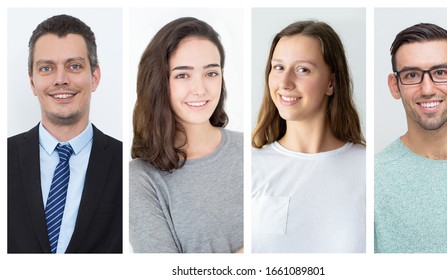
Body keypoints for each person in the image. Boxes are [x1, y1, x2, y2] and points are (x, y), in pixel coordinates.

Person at [8, 14, 122, 253]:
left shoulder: (125, 162)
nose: (61, 80)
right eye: (47, 68)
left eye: (74, 66)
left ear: (95, 77)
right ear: (32, 81)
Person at [129, 17, 243, 253]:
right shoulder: (141, 178)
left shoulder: (249, 149)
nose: (200, 89)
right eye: (182, 75)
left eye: (211, 73)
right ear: (158, 82)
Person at [251, 20, 366, 253]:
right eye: (278, 67)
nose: (284, 83)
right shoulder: (250, 168)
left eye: (302, 69)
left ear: (331, 83)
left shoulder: (367, 169)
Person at [374, 23, 447, 253]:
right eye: (412, 75)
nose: (427, 89)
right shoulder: (373, 179)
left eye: (440, 73)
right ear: (395, 86)